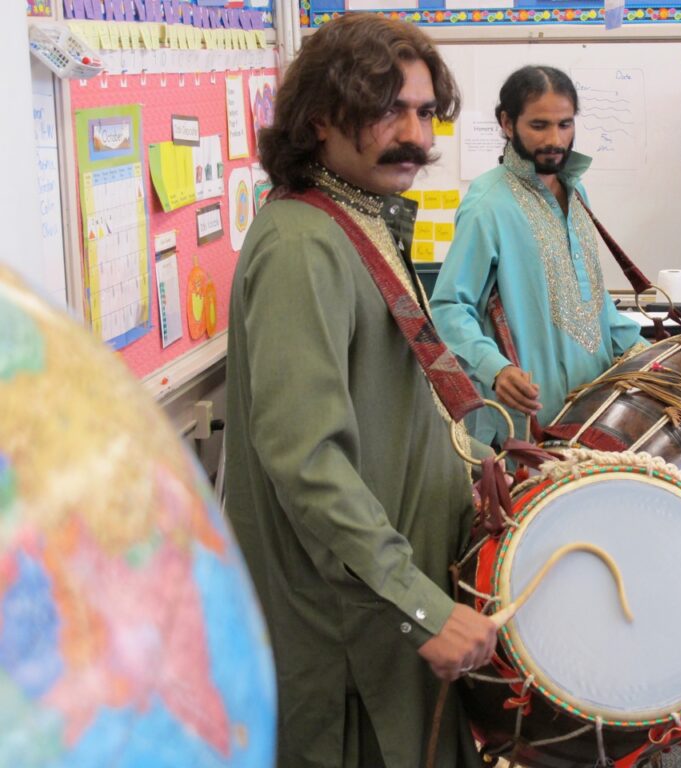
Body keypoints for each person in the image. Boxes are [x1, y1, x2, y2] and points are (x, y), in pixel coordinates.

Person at [223, 16, 497, 767]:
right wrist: (421, 605)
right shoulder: (299, 246)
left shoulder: (357, 216)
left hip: (389, 612)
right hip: (353, 632)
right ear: (320, 120)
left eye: (422, 111)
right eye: (387, 111)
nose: (413, 133)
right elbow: (305, 461)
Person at [430, 65, 646, 446]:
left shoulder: (578, 194)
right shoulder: (487, 204)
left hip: (595, 416)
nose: (555, 139)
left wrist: (646, 354)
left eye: (565, 124)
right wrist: (494, 369)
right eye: (539, 125)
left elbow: (592, 304)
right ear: (507, 123)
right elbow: (449, 307)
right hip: (526, 431)